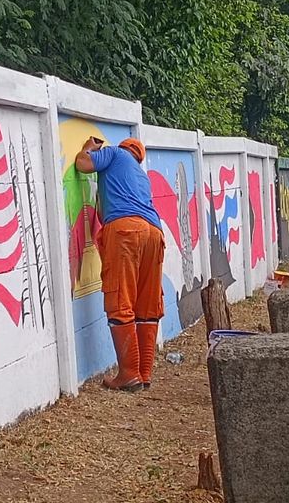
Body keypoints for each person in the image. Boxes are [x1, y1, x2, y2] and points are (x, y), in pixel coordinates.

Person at [75, 136, 165, 392]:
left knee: (120, 298)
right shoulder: (141, 176)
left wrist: (89, 148)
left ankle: (128, 374)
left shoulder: (114, 154)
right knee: (148, 302)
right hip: (154, 233)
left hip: (126, 231)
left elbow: (83, 164)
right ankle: (144, 373)